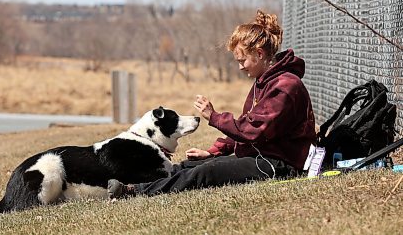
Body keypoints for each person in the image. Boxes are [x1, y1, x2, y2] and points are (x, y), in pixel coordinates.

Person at [107, 10, 317, 198]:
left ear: (259, 54)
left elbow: (252, 131)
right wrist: (214, 151)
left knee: (206, 172)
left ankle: (133, 192)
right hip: (264, 155)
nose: (240, 67)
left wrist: (214, 117)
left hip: (281, 164)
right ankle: (136, 183)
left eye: (242, 60)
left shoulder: (285, 86)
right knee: (194, 165)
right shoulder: (265, 82)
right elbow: (248, 125)